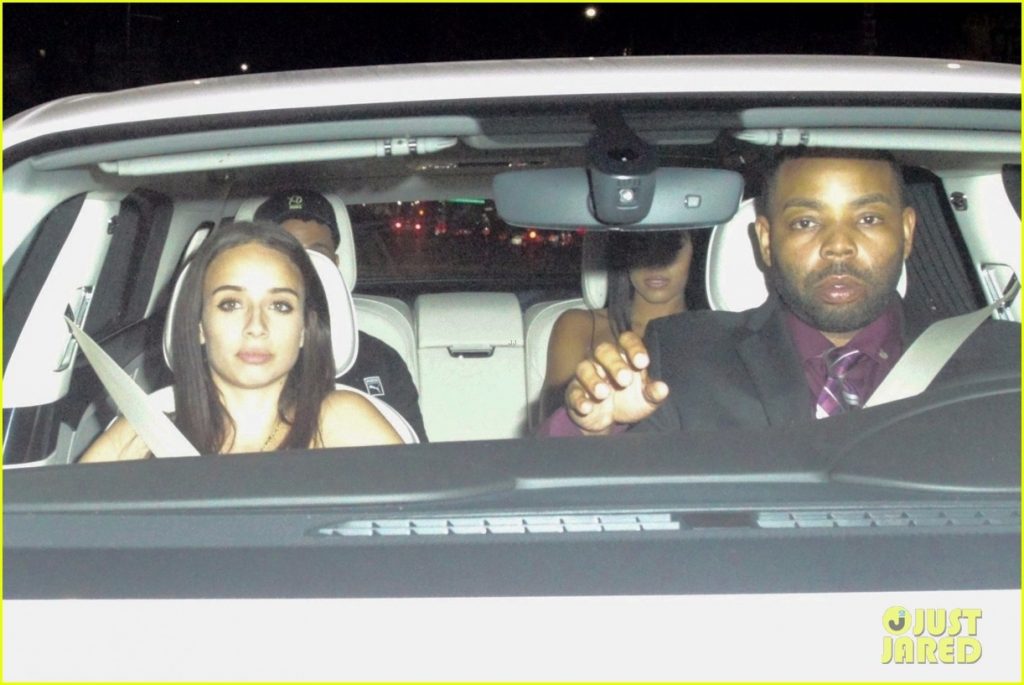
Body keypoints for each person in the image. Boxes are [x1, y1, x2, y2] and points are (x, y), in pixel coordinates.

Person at [545, 148, 1020, 436]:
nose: (838, 246)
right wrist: (593, 432)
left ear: (908, 231)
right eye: (806, 222)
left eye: (868, 218)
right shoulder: (681, 358)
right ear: (767, 241)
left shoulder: (1004, 364)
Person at [81, 222, 402, 461]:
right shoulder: (142, 434)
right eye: (231, 304)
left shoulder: (341, 421)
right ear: (199, 325)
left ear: (304, 329)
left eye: (280, 306)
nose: (256, 326)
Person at [254, 190, 428, 441]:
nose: (306, 266)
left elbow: (415, 457)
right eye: (290, 253)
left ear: (335, 263)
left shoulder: (381, 359)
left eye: (318, 254)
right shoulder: (239, 360)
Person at [539, 231, 694, 419]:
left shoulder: (717, 335)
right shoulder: (579, 327)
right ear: (624, 251)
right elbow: (551, 430)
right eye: (642, 244)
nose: (655, 262)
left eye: (671, 244)